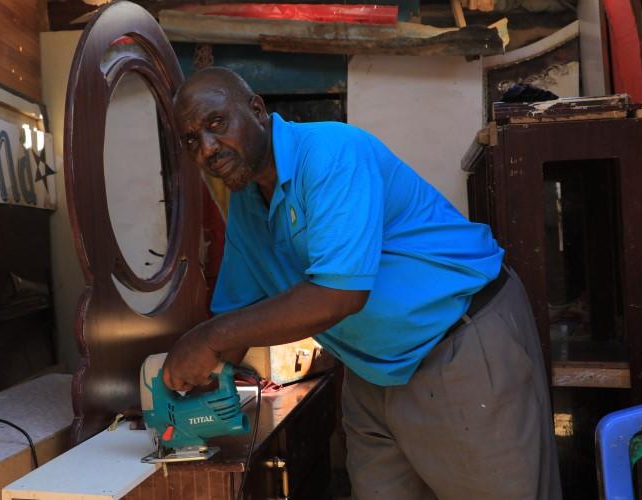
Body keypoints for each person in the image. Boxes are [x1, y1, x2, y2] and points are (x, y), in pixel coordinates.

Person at [162, 66, 561, 500]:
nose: (206, 148)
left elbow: (339, 294)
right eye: (190, 140)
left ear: (257, 109)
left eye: (217, 124)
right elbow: (234, 317)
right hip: (371, 374)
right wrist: (184, 395)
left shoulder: (330, 152)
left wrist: (209, 339)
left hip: (458, 344)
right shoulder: (246, 206)